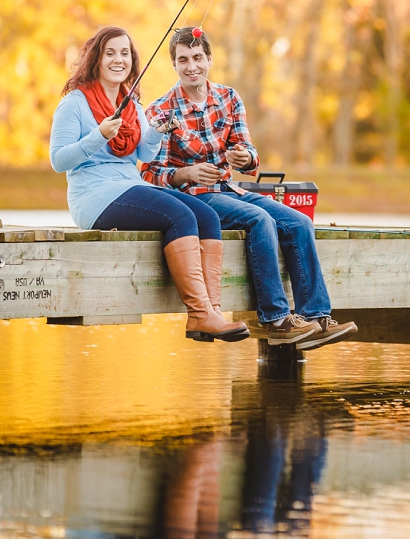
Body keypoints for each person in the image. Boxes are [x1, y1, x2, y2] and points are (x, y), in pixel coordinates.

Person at [142, 26, 357, 351]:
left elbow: (250, 157)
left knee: (300, 222)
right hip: (194, 201)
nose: (191, 66)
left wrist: (244, 157)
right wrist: (186, 173)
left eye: (197, 57)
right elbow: (149, 173)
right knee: (260, 220)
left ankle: (317, 317)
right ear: (174, 64)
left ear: (209, 59)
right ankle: (276, 319)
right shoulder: (163, 111)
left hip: (231, 190)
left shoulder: (228, 99)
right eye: (183, 59)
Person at [50, 26, 249, 343]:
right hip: (95, 197)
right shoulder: (75, 104)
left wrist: (156, 130)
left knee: (207, 217)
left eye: (125, 53)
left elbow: (143, 153)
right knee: (179, 215)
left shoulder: (131, 106)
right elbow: (59, 160)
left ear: (133, 60)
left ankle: (212, 312)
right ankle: (199, 314)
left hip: (129, 187)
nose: (119, 59)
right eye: (110, 52)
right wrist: (98, 136)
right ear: (96, 59)